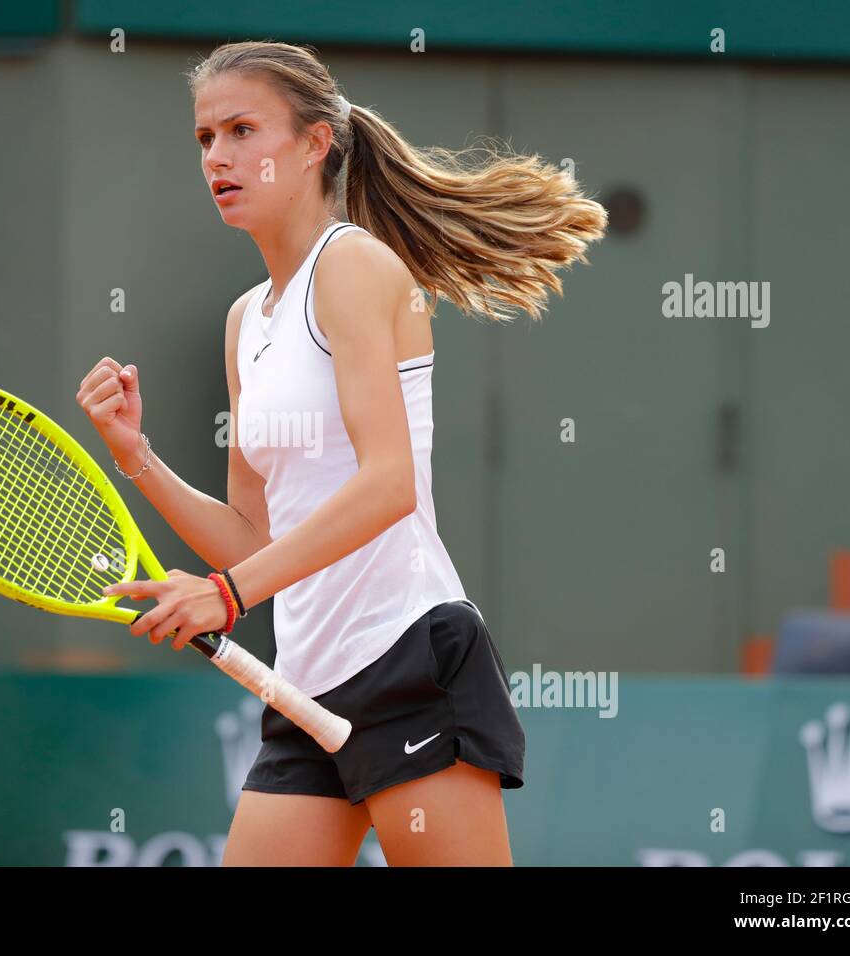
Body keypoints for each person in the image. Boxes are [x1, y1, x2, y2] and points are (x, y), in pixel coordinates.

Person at [77, 40, 605, 865]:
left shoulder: (354, 265)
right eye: (205, 138)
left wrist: (225, 594)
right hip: (305, 686)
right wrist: (136, 455)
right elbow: (256, 536)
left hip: (409, 663)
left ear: (316, 142)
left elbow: (389, 483)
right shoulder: (244, 320)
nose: (219, 155)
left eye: (244, 130)